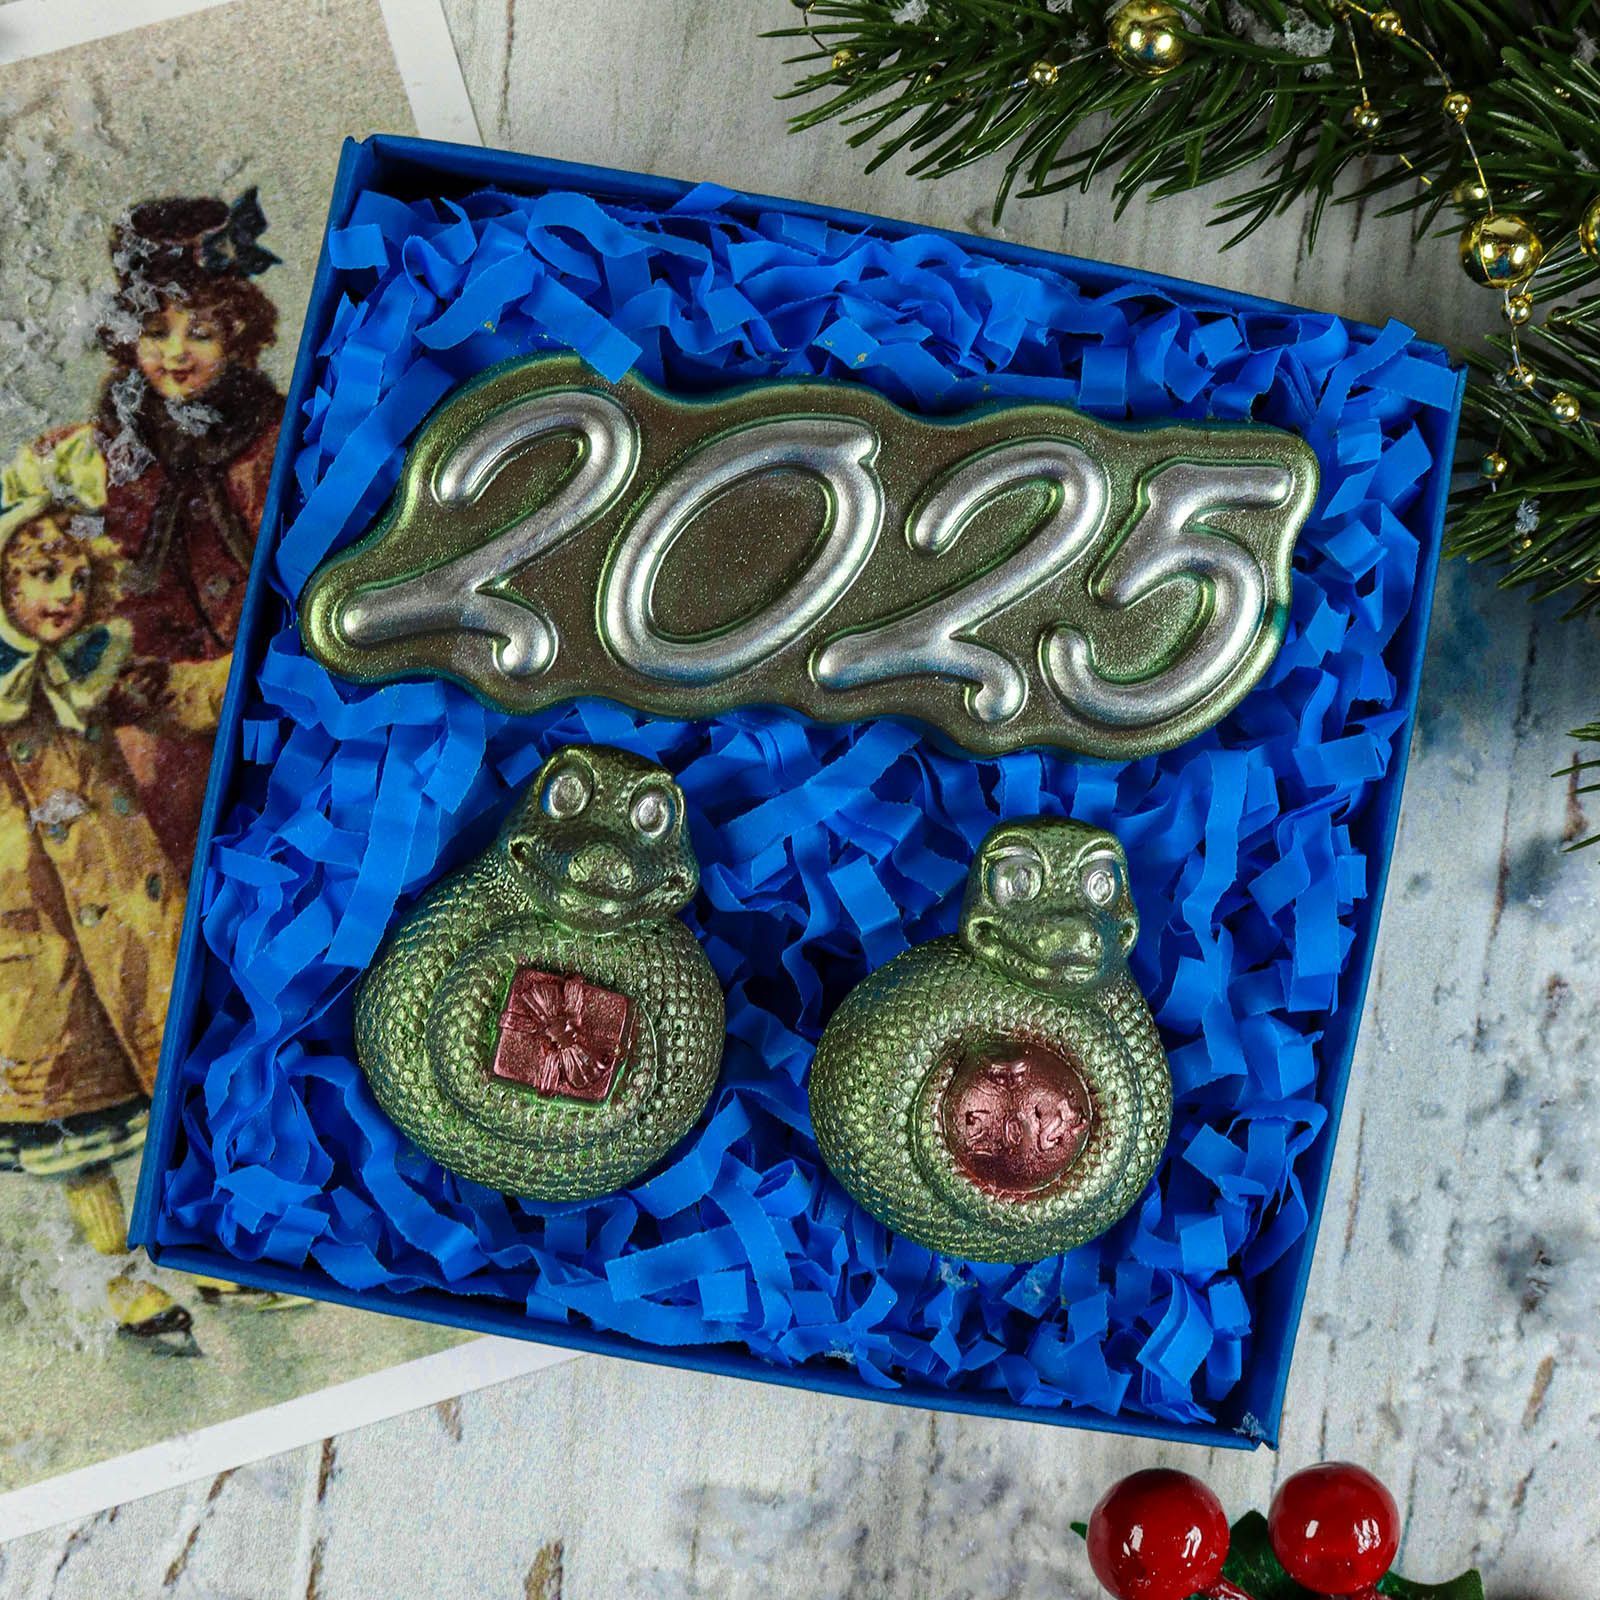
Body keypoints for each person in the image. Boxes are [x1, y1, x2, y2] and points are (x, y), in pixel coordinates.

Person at [0, 434, 207, 1348]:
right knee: (72, 1117)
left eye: (77, 578)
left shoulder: (95, 663)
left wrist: (252, 673)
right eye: (41, 576)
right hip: (32, 937)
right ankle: (124, 1278)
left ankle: (203, 1247)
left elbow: (177, 695)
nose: (62, 597)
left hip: (127, 914)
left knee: (169, 1077)